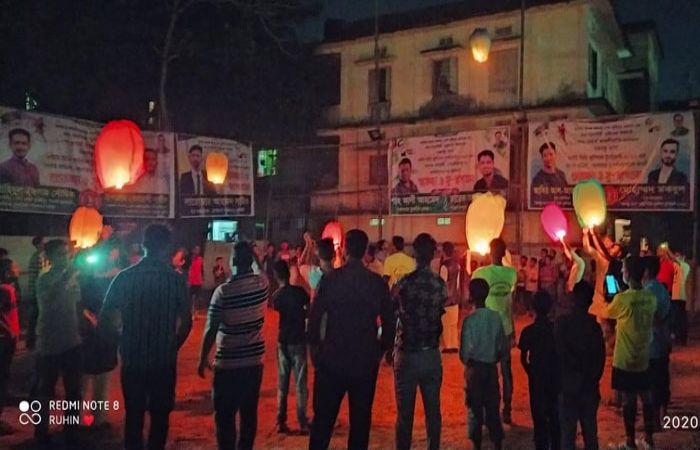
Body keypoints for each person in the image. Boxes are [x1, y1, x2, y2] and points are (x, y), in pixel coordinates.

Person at [99, 224, 192, 450]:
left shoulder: (124, 277)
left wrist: (121, 342)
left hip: (134, 359)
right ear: (167, 247)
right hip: (163, 360)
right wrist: (173, 346)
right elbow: (187, 323)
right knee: (160, 417)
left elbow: (104, 320)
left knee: (134, 416)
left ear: (143, 245)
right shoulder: (175, 280)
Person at [307, 229, 395, 450]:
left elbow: (315, 318)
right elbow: (389, 322)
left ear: (344, 250)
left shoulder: (330, 280)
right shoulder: (376, 283)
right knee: (360, 423)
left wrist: (315, 351)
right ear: (365, 251)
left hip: (332, 359)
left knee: (323, 422)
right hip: (364, 360)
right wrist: (380, 350)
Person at [198, 241, 269, 450]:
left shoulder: (223, 292)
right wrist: (254, 255)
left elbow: (211, 329)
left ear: (233, 261)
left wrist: (203, 358)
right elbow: (261, 270)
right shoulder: (262, 284)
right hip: (253, 362)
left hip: (227, 363)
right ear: (251, 261)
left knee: (224, 416)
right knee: (249, 414)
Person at [393, 233, 446, 450]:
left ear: (413, 253)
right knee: (433, 412)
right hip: (430, 353)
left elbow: (392, 309)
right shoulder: (439, 284)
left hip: (407, 353)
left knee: (404, 414)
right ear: (433, 255)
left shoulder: (404, 283)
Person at [34, 240, 83, 444]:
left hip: (72, 341)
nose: (65, 257)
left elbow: (76, 304)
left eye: (66, 253)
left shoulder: (73, 277)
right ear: (50, 258)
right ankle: (41, 431)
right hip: (49, 343)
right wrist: (66, 277)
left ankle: (71, 431)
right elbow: (49, 302)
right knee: (46, 390)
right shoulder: (44, 278)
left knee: (74, 390)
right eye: (60, 254)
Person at [606, 256, 657, 449]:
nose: (621, 272)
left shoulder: (621, 299)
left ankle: (629, 440)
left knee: (628, 400)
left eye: (623, 269)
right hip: (644, 357)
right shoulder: (651, 297)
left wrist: (614, 293)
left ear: (628, 273)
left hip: (625, 358)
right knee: (646, 397)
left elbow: (609, 311)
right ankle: (649, 438)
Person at [555, 281, 605, 450]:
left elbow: (559, 353)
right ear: (590, 302)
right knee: (590, 434)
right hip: (589, 386)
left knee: (567, 436)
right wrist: (592, 378)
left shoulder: (562, 323)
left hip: (568, 385)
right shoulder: (594, 327)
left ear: (572, 299)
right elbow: (600, 358)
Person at [472, 238, 517, 424]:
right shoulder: (511, 274)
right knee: (506, 371)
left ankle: (488, 409)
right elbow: (510, 303)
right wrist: (513, 329)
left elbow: (475, 297)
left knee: (487, 372)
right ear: (505, 253)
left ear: (490, 252)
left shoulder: (480, 273)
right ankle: (507, 408)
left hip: (487, 329)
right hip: (505, 327)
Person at [460, 278, 505, 450]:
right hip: (490, 367)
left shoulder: (469, 320)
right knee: (493, 406)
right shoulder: (496, 317)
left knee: (475, 408)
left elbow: (464, 353)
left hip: (475, 370)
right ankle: (497, 441)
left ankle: (477, 443)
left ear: (471, 295)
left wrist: (469, 363)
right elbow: (502, 346)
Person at [271, 260, 310, 435]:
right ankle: (302, 420)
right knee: (300, 382)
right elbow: (309, 306)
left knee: (283, 382)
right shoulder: (300, 292)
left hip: (283, 340)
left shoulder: (276, 296)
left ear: (276, 276)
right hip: (298, 339)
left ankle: (281, 420)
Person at [519, 291, 560, 450]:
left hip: (536, 375)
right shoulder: (556, 329)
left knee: (538, 412)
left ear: (533, 308)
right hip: (553, 374)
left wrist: (530, 371)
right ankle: (555, 442)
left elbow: (523, 358)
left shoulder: (528, 331)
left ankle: (541, 442)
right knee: (554, 411)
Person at [642, 256, 672, 430]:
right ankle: (662, 418)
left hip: (650, 345)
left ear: (646, 271)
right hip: (662, 342)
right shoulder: (662, 289)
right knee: (662, 383)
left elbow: (651, 317)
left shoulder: (647, 291)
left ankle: (654, 421)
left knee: (651, 385)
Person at [0, 259, 20, 435]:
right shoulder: (4, 290)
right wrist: (9, 331)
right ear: (7, 272)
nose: (17, 269)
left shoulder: (8, 289)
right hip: (4, 340)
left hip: (7, 338)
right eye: (14, 267)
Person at [439, 241, 461, 352]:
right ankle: (454, 344)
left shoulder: (444, 266)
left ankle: (447, 346)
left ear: (443, 251)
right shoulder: (457, 265)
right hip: (455, 297)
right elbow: (457, 283)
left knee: (446, 324)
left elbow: (443, 283)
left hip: (447, 299)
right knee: (453, 324)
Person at [25, 236, 45, 347]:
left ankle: (31, 340)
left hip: (35, 291)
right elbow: (40, 275)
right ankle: (31, 341)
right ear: (38, 245)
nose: (44, 245)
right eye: (42, 243)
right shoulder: (38, 258)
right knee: (35, 316)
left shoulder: (37, 256)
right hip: (36, 292)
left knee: (35, 316)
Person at [669, 249, 690, 345]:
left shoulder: (685, 266)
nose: (676, 257)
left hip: (680, 295)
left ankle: (682, 338)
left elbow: (674, 259)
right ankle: (678, 337)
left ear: (683, 257)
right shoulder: (676, 265)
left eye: (678, 255)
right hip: (675, 295)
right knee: (676, 317)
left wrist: (667, 250)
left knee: (681, 318)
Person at [188, 245, 204, 315]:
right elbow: (188, 270)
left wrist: (202, 278)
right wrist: (188, 280)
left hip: (198, 281)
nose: (197, 251)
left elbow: (202, 269)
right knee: (190, 298)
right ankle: (191, 311)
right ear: (193, 250)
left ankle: (196, 311)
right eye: (196, 249)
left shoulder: (201, 259)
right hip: (191, 281)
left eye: (198, 249)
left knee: (197, 297)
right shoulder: (190, 259)